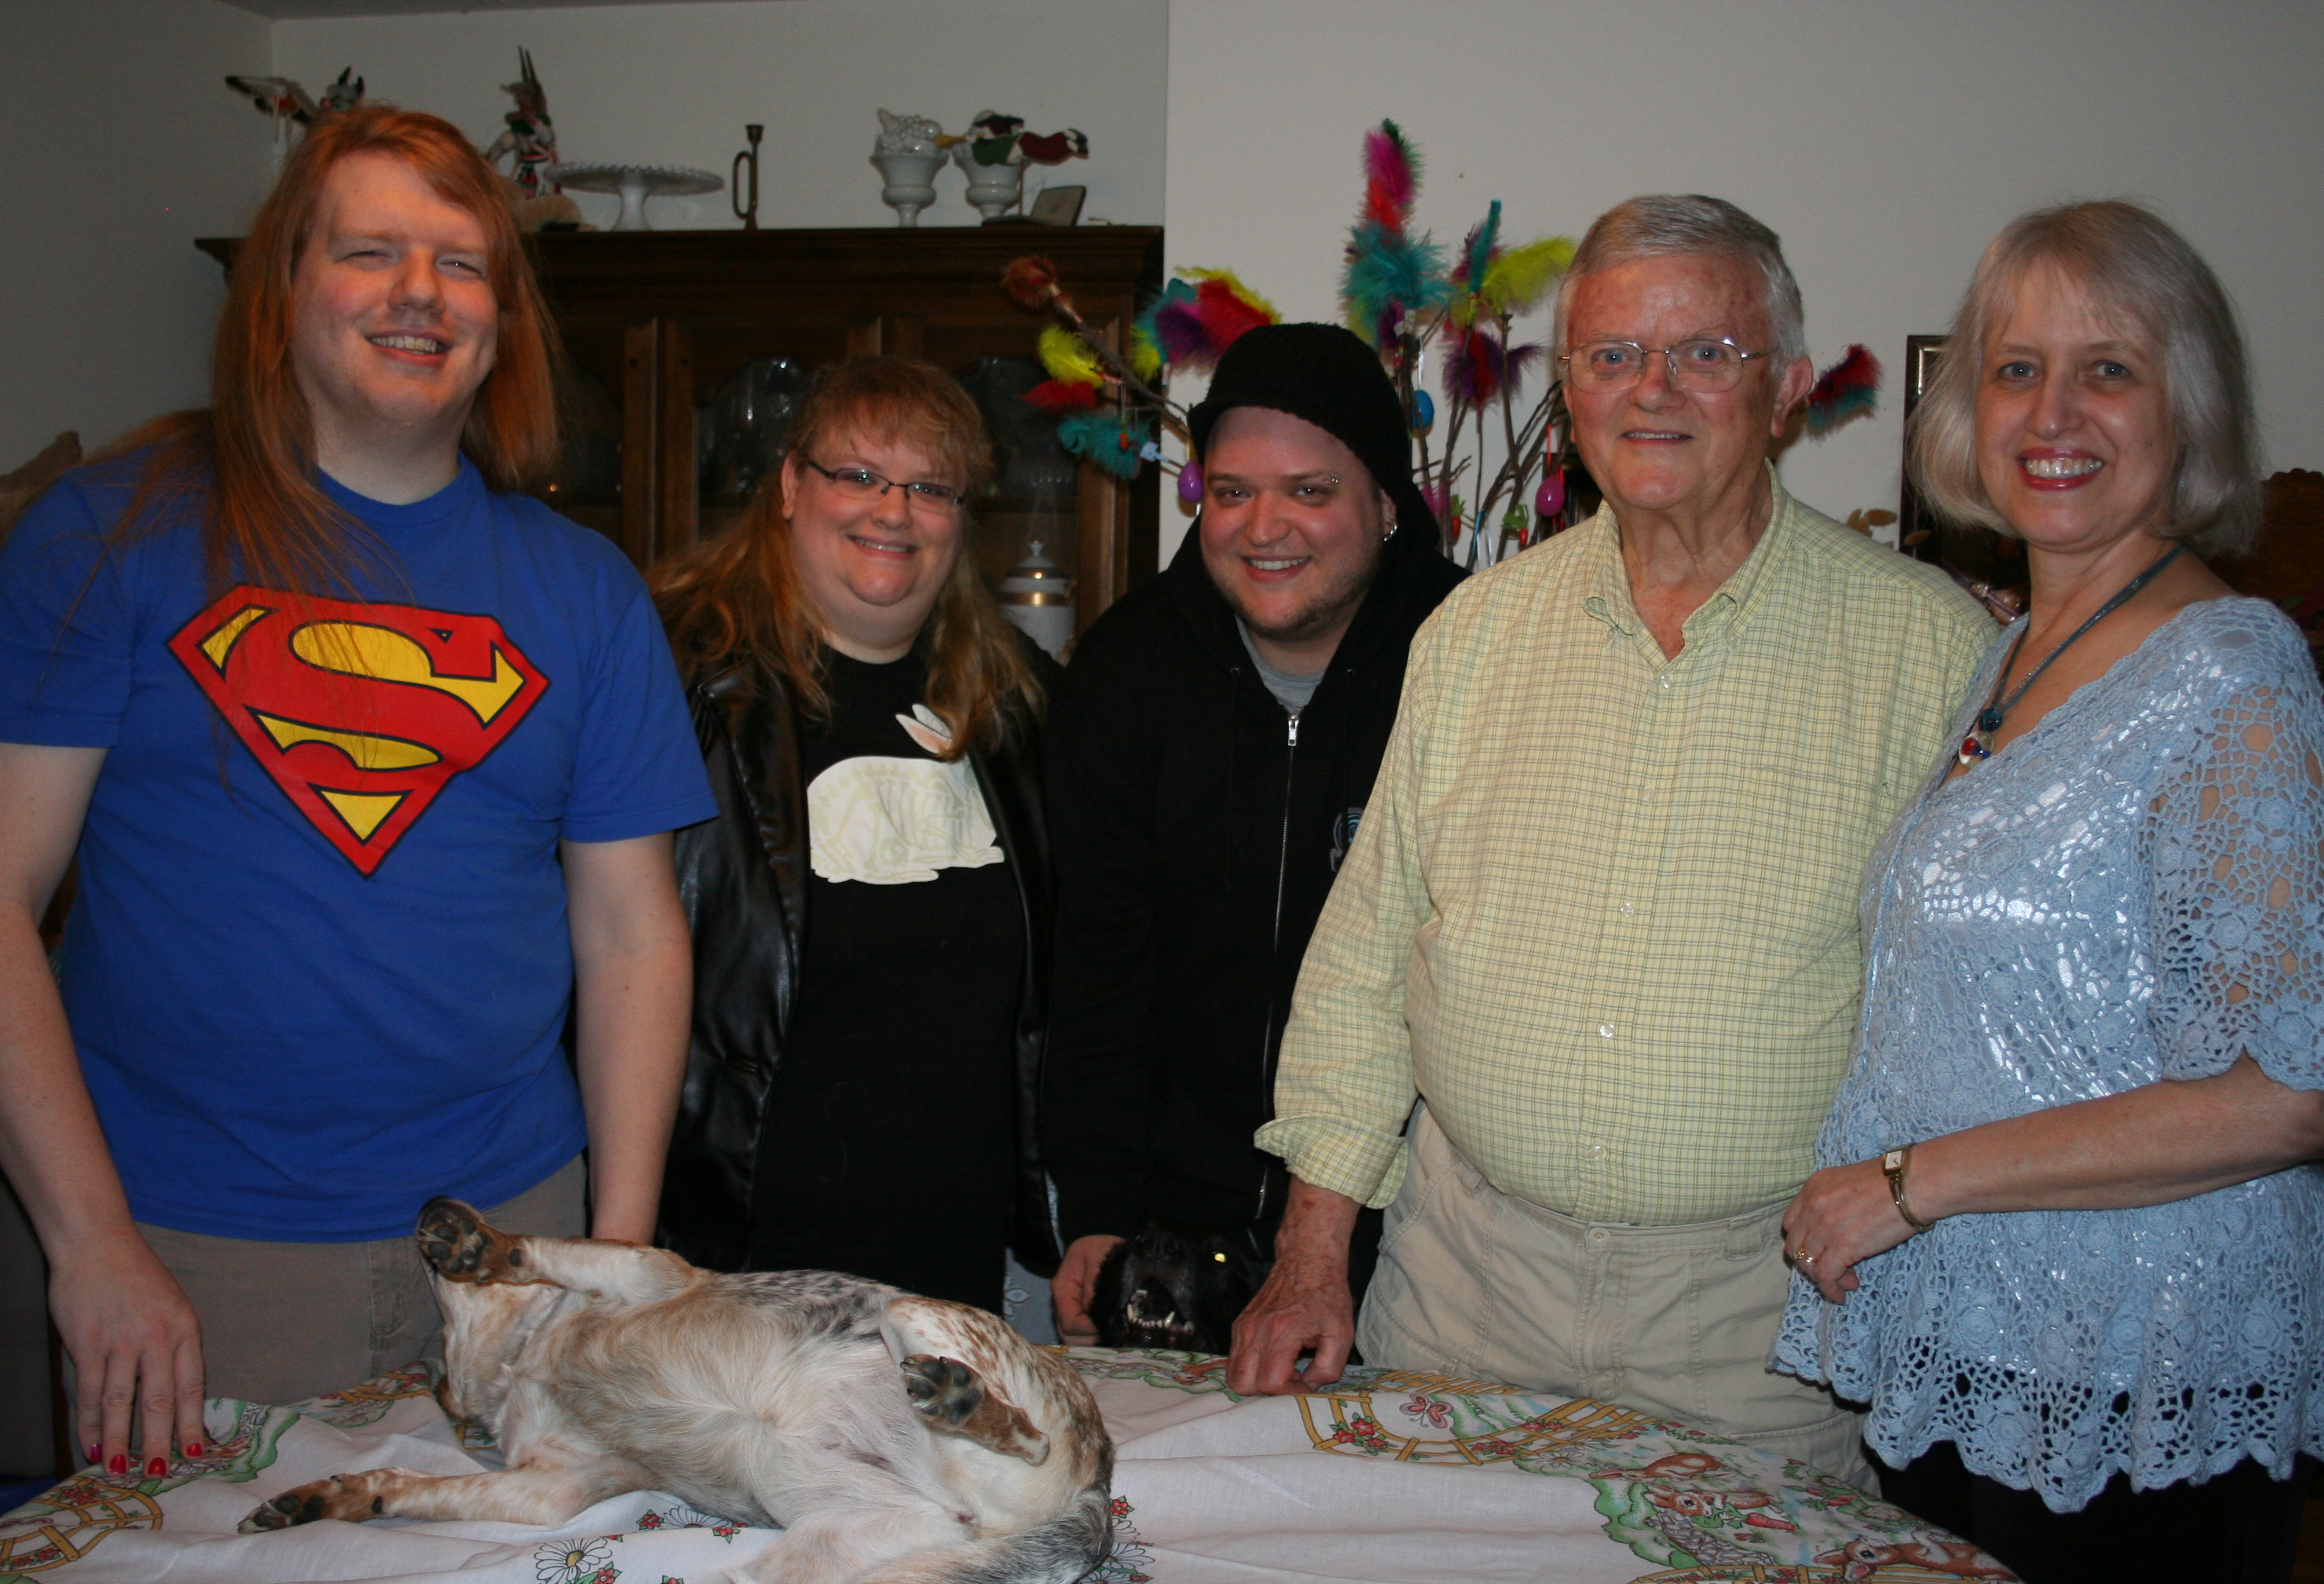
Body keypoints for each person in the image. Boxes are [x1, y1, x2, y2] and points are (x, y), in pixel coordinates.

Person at [0, 106, 710, 1477]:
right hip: (189, 1258)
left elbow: (630, 932)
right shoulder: (109, 533)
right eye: (371, 251)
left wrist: (612, 1258)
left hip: (515, 1241)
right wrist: (90, 1243)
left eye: (461, 264)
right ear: (281, 293)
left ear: (502, 321)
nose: (420, 293)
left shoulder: (587, 591)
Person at [1227, 196, 1996, 1488]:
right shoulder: (1472, 637)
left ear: (1788, 389)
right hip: (1462, 1299)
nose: (1654, 389)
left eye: (1706, 352)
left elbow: (1978, 1015)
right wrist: (1311, 1259)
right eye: (1614, 354)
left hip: (1761, 1329)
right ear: (1571, 392)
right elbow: (1366, 959)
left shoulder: (1929, 653)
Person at [1773, 200, 2324, 1584]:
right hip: (1991, 1345)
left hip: (2141, 1371)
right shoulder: (2020, 652)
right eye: (2017, 368)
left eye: (2110, 369)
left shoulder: (2232, 677)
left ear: (2187, 411)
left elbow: (2296, 1092)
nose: (2053, 413)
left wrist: (1912, 1184)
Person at [1040, 323, 1466, 1344]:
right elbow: (1097, 969)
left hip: (1422, 1241)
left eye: (1310, 491)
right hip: (1174, 1240)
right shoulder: (1126, 672)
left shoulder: (1471, 662)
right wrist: (1097, 1207)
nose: (1264, 527)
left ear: (1387, 505)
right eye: (1232, 491)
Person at [651, 356, 1056, 1311]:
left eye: (930, 487)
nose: (894, 511)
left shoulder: (1014, 701)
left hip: (954, 1263)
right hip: (732, 1253)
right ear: (792, 485)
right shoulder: (674, 677)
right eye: (860, 475)